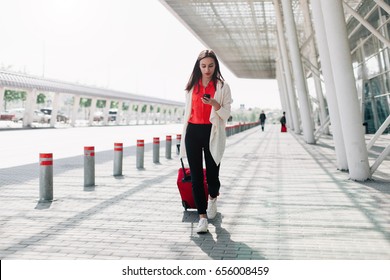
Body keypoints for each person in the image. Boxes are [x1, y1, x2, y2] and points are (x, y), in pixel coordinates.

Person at [179, 49, 233, 234]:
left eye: (210, 65)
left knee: (212, 176)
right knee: (195, 176)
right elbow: (187, 111)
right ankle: (202, 218)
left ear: (215, 65)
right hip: (193, 132)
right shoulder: (192, 86)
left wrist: (214, 105)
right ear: (198, 66)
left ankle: (213, 198)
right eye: (203, 66)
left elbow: (226, 114)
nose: (207, 69)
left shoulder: (222, 86)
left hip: (212, 132)